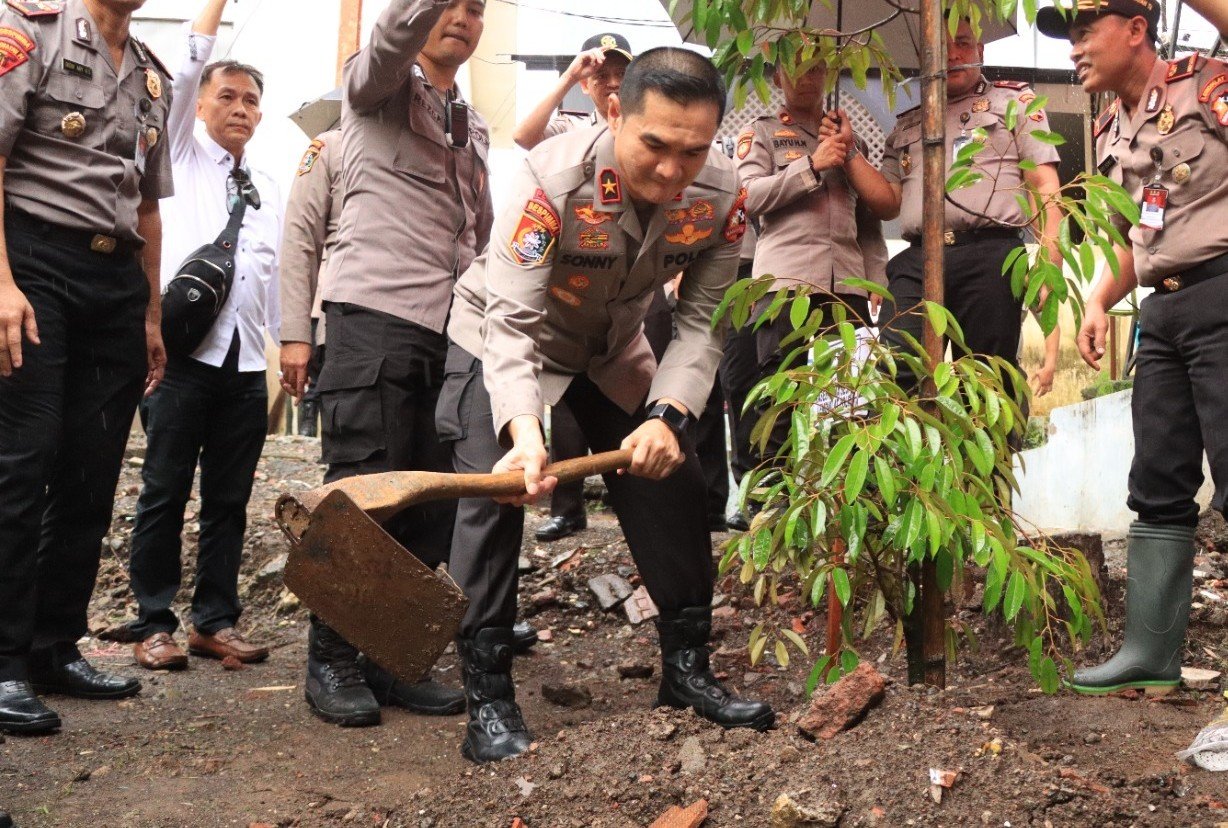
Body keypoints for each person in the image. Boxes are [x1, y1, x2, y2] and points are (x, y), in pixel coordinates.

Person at [440, 46, 775, 764]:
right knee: (496, 493)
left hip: (612, 348)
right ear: (616, 111)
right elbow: (512, 323)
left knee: (674, 482)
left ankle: (686, 671)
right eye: (655, 145)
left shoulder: (725, 194)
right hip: (503, 339)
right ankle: (488, 696)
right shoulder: (548, 180)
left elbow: (703, 322)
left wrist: (669, 415)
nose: (672, 170)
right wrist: (525, 433)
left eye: (693, 150)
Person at [290, 0, 492, 728]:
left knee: (433, 495)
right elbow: (388, 41)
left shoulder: (472, 124)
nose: (461, 16)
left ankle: (388, 658)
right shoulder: (376, 88)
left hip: (450, 328)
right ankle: (332, 660)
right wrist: (295, 333)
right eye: (448, 4)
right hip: (374, 318)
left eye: (475, 7)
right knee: (365, 491)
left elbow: (478, 230)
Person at [1039, 0, 1228, 694]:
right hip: (1163, 311)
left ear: (1136, 29)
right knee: (1157, 480)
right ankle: (1151, 652)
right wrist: (1097, 300)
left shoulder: (1202, 84)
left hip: (1223, 291)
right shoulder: (1113, 128)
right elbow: (1138, 233)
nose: (1074, 50)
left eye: (1086, 32)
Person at [0, 0, 172, 734]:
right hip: (32, 261)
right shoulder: (27, 31)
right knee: (21, 463)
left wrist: (152, 315)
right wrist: (1, 283)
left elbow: (148, 207)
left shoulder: (154, 78)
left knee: (91, 472)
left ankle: (53, 644)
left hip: (115, 282)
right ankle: (3, 661)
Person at [125, 0, 279, 673]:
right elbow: (187, 66)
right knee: (163, 491)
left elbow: (277, 274)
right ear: (200, 106)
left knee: (229, 499)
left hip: (244, 363)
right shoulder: (181, 155)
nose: (240, 108)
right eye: (227, 96)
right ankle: (154, 621)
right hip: (180, 358)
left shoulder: (267, 184)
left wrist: (289, 344)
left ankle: (214, 620)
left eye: (251, 100)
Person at [879, 17, 1062, 404]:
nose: (952, 55)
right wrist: (847, 153)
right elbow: (886, 200)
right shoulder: (906, 124)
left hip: (989, 255)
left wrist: (1049, 268)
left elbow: (1044, 187)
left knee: (985, 380)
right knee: (896, 372)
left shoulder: (1014, 103)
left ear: (980, 51)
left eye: (963, 43)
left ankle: (991, 445)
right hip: (917, 259)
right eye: (941, 46)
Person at [736, 59, 895, 473]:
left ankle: (841, 495)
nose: (805, 78)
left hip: (847, 287)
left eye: (815, 68)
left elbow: (869, 219)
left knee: (848, 399)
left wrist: (875, 275)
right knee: (781, 396)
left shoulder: (847, 140)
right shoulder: (762, 132)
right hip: (784, 285)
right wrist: (810, 165)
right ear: (777, 77)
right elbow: (747, 197)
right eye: (794, 68)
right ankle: (774, 497)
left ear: (828, 74)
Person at [513, 31, 634, 542]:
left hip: (631, 282)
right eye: (599, 74)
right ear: (586, 83)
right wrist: (568, 75)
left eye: (620, 72)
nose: (610, 82)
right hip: (573, 279)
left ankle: (634, 502)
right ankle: (567, 507)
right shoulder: (569, 127)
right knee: (562, 398)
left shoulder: (644, 129)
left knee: (629, 390)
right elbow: (524, 135)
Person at [279, 126, 343, 437]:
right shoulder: (329, 148)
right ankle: (306, 426)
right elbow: (301, 241)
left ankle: (310, 426)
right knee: (317, 372)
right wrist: (295, 332)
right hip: (324, 304)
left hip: (336, 305)